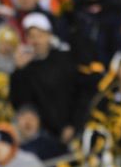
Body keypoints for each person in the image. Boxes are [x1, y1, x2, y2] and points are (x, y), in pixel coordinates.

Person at [10, 12, 78, 143]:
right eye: (31, 36)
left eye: (40, 35)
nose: (36, 41)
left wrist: (73, 124)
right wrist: (18, 71)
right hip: (42, 137)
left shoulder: (64, 59)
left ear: (49, 36)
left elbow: (77, 94)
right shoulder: (24, 68)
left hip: (70, 130)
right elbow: (19, 103)